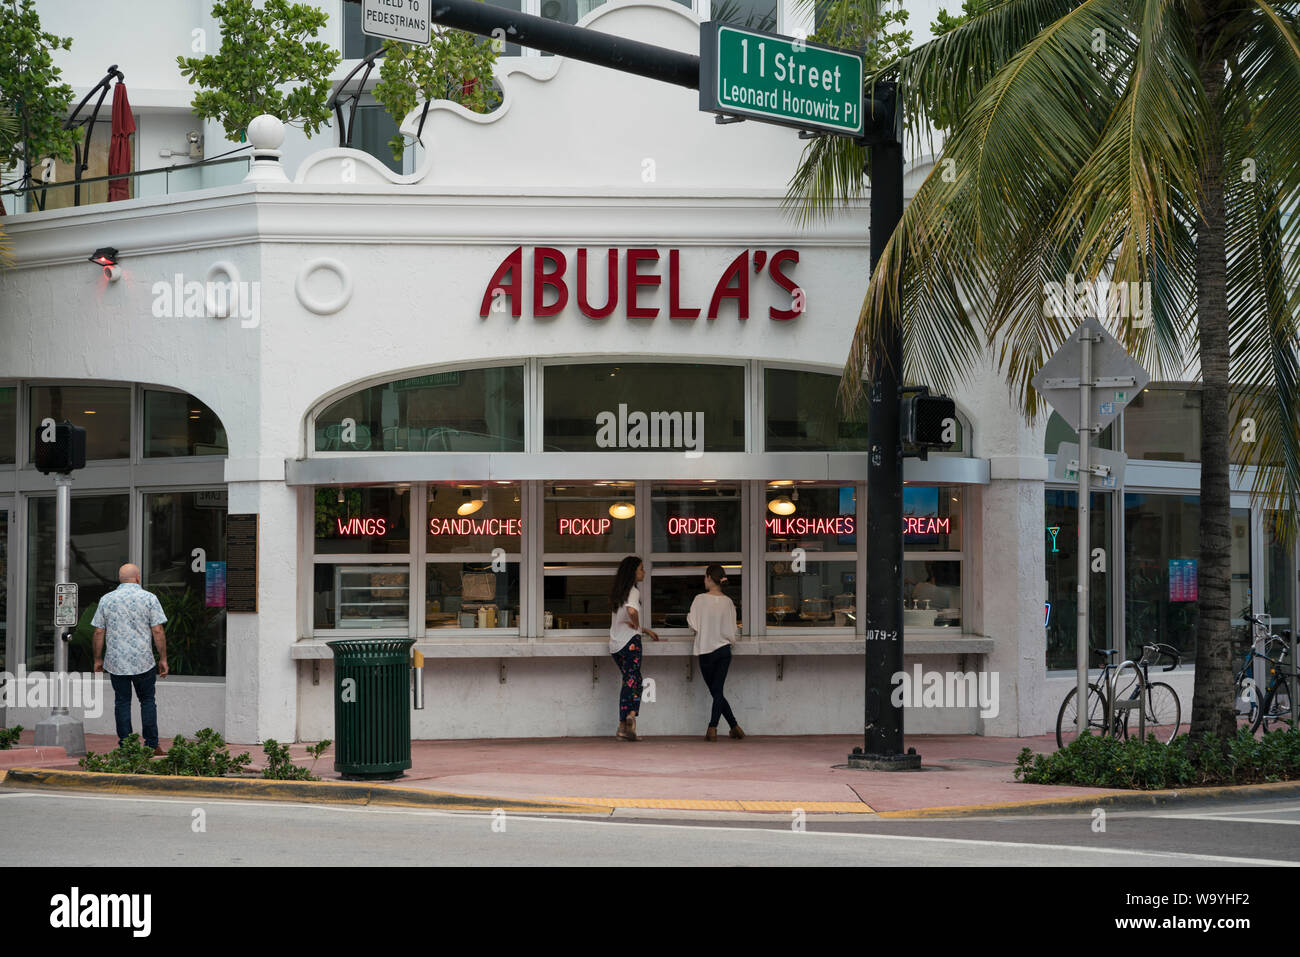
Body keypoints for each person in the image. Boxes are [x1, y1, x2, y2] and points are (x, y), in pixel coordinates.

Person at [92, 564, 169, 755]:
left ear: (120, 579)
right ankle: (152, 745)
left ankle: (126, 747)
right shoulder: (149, 598)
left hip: (117, 662)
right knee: (147, 700)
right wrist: (163, 659)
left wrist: (97, 659)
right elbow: (158, 630)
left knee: (122, 702)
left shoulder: (106, 600)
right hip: (144, 661)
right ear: (137, 578)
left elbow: (99, 631)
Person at [688, 564, 744, 741]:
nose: (704, 580)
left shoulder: (699, 599)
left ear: (710, 578)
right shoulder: (728, 602)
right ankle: (735, 727)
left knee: (716, 691)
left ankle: (712, 727)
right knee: (717, 691)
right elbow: (733, 629)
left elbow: (693, 625)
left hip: (706, 651)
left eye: (705, 577)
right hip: (724, 651)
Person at [609, 555, 658, 741]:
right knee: (635, 681)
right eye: (641, 568)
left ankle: (622, 726)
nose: (644, 572)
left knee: (630, 680)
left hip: (615, 645)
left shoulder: (618, 592)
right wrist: (637, 626)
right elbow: (631, 612)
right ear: (632, 572)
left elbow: (623, 618)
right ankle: (630, 715)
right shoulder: (634, 591)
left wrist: (644, 629)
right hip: (630, 643)